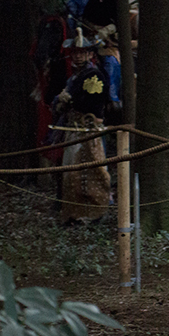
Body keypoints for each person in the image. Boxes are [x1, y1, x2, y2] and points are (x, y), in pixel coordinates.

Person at [50, 28, 111, 224]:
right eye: (75, 52)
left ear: (90, 54)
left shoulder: (95, 75)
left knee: (92, 173)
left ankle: (94, 214)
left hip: (88, 130)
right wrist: (61, 101)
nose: (77, 56)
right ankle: (73, 214)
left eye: (82, 52)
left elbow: (91, 103)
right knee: (71, 172)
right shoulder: (73, 78)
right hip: (73, 131)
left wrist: (70, 100)